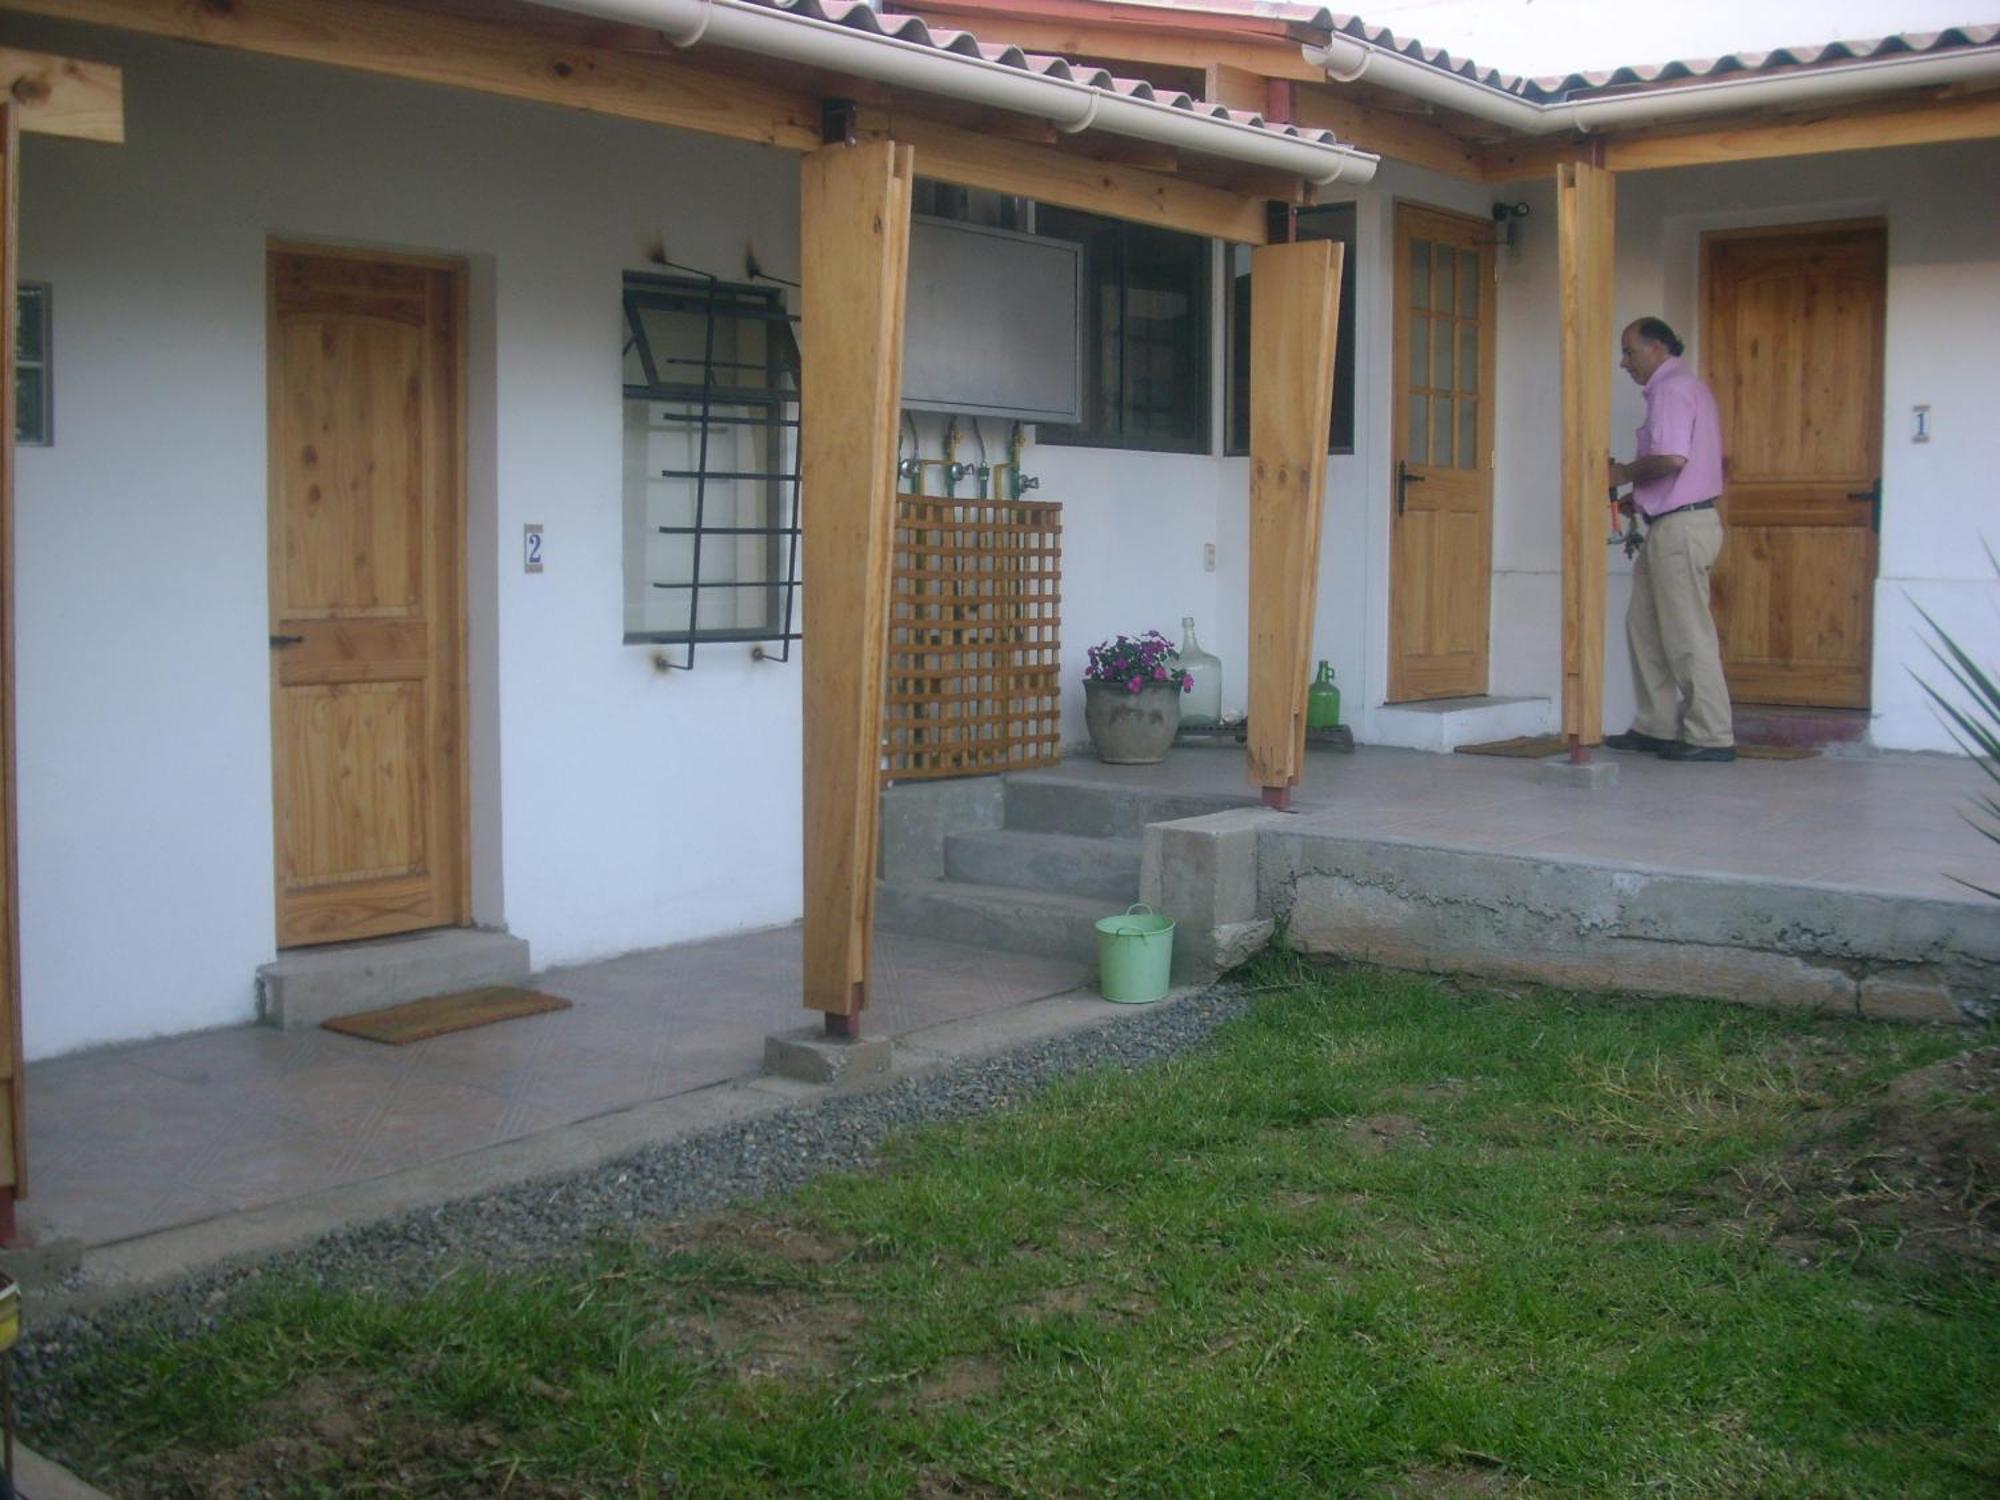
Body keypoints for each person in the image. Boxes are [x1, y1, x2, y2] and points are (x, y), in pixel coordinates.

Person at [1604, 317, 1735, 763]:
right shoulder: (1679, 386)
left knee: (1686, 634)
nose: (1624, 362)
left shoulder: (1670, 387)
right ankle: (1656, 725)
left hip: (1683, 527)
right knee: (1643, 626)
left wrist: (1622, 474)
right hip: (1671, 522)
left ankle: (1711, 734)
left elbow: (1672, 457)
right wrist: (1637, 499)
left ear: (1658, 347)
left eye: (1630, 351)